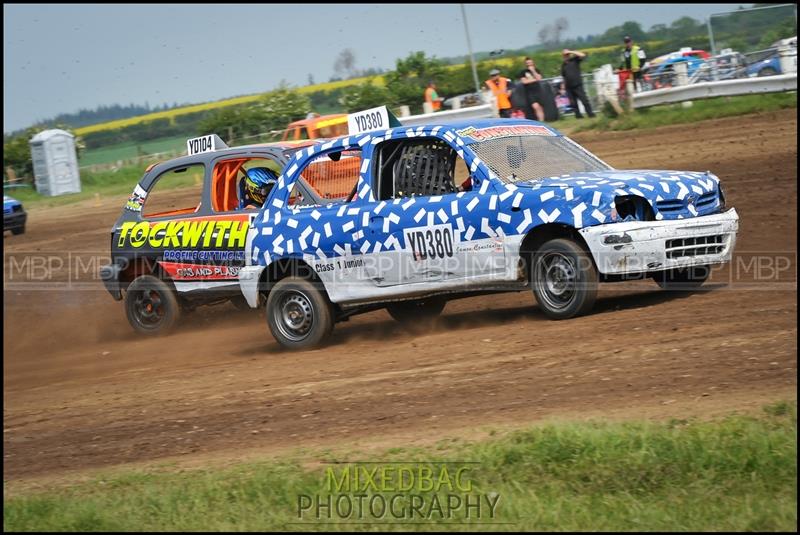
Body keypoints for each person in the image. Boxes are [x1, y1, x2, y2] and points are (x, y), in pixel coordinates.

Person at [561, 49, 596, 118]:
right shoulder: (563, 65)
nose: (566, 56)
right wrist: (563, 87)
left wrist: (570, 51)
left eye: (567, 55)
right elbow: (564, 76)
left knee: (584, 100)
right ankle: (578, 116)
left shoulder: (574, 60)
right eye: (565, 55)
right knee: (573, 103)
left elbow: (582, 55)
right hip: (569, 87)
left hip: (577, 85)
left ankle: (590, 114)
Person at [518, 57, 544, 122]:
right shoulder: (523, 72)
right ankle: (539, 121)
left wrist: (533, 71)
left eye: (530, 62)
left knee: (540, 107)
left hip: (538, 90)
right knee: (535, 106)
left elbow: (539, 78)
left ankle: (542, 121)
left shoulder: (537, 70)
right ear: (525, 64)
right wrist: (535, 79)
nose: (529, 64)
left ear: (533, 63)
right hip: (530, 92)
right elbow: (524, 82)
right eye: (527, 63)